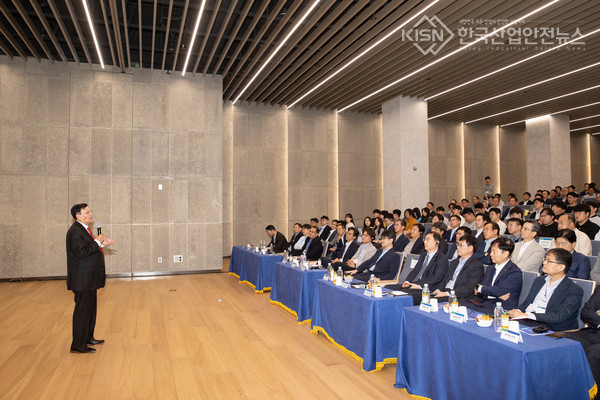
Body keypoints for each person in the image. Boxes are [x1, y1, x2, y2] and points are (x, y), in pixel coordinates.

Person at [67, 203, 115, 353]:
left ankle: (87, 338)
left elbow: (89, 249)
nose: (91, 214)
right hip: (82, 280)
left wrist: (101, 244)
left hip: (88, 279)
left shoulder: (83, 229)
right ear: (78, 215)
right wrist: (97, 242)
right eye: (87, 212)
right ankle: (78, 345)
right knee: (83, 312)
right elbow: (81, 252)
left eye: (90, 211)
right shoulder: (75, 232)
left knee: (90, 310)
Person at [508, 248, 582, 332]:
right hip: (529, 320)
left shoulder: (573, 290)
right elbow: (527, 303)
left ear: (561, 267)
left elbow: (559, 316)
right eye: (545, 260)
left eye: (549, 261)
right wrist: (517, 311)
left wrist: (526, 315)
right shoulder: (540, 280)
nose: (544, 263)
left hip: (553, 327)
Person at [391, 232, 449, 305]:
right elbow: (415, 271)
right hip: (415, 284)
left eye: (428, 239)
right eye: (424, 239)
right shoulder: (423, 255)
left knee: (403, 294)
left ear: (436, 242)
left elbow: (436, 278)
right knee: (389, 288)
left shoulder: (441, 258)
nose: (425, 242)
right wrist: (407, 281)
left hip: (427, 288)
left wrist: (420, 286)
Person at [469, 237, 522, 313]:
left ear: (505, 254)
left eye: (494, 251)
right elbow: (480, 292)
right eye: (491, 251)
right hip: (486, 304)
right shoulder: (491, 268)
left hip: (502, 309)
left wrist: (479, 287)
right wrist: (491, 294)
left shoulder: (514, 272)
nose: (491, 254)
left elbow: (498, 290)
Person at [432, 235, 484, 303]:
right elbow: (445, 280)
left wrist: (446, 293)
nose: (458, 247)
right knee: (426, 297)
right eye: (458, 245)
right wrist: (438, 290)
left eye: (461, 245)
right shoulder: (454, 262)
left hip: (458, 296)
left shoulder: (476, 266)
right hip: (446, 291)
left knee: (431, 301)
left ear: (470, 248)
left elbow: (468, 289)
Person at [564, 288, 600, 384]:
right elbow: (586, 312)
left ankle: (591, 395)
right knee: (563, 340)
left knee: (592, 352)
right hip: (595, 331)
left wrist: (596, 313)